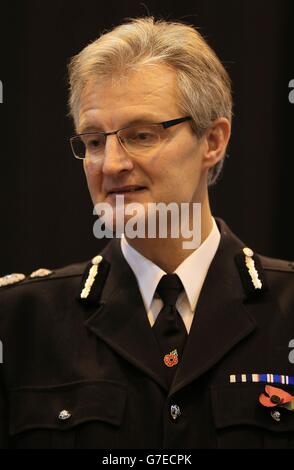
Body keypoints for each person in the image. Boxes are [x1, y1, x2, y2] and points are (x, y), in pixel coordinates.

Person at [0, 16, 293, 450]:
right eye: (95, 141)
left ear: (213, 141)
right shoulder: (19, 322)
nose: (111, 164)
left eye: (140, 135)